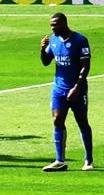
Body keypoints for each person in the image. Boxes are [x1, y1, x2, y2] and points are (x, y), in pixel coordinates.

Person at [40, 13, 93, 172]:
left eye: (55, 24)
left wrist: (77, 87)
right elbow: (45, 61)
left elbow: (86, 66)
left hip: (77, 89)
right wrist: (43, 49)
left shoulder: (80, 40)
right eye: (51, 25)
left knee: (82, 121)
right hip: (59, 89)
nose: (52, 27)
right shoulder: (54, 40)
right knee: (57, 120)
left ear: (64, 23)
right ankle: (59, 160)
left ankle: (88, 160)